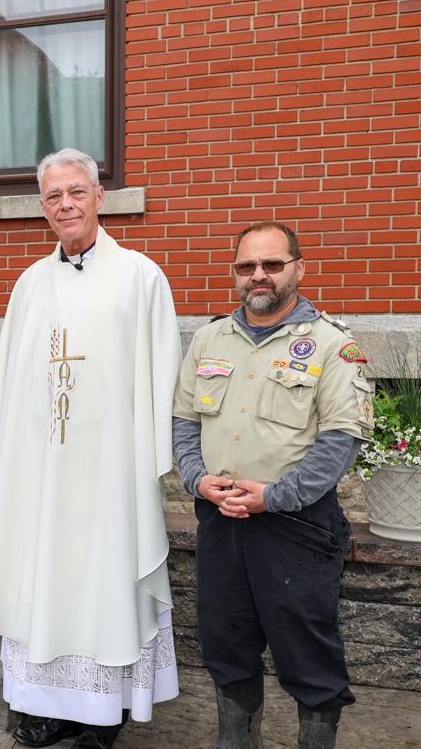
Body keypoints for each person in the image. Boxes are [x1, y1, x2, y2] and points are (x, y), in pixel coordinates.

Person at [0, 149, 181, 749]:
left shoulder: (140, 277)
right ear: (43, 208)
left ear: (98, 197)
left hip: (111, 471)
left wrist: (149, 459)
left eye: (76, 192)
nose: (65, 205)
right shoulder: (30, 285)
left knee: (104, 582)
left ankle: (104, 714)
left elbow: (160, 374)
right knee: (43, 582)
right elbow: (10, 381)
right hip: (41, 472)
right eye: (53, 196)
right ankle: (53, 708)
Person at [172, 221, 372, 749]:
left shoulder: (332, 344)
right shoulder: (210, 338)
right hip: (221, 521)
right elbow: (185, 421)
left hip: (296, 527)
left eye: (272, 264)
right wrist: (197, 479)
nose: (258, 275)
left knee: (308, 654)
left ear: (298, 269)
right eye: (247, 265)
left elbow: (340, 440)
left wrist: (275, 496)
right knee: (226, 644)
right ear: (235, 273)